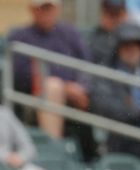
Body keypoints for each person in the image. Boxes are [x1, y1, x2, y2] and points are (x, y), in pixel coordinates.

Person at [8, 0, 91, 140]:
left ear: (58, 9)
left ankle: (96, 154)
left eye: (50, 8)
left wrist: (82, 88)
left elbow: (87, 65)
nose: (46, 13)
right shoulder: (21, 37)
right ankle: (54, 147)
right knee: (52, 87)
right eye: (42, 8)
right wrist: (64, 87)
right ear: (32, 10)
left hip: (76, 97)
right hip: (35, 99)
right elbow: (22, 76)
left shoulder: (70, 33)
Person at [92, 23, 140, 164]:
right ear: (118, 48)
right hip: (123, 130)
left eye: (136, 45)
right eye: (126, 45)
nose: (131, 50)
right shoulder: (107, 73)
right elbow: (105, 105)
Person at [90, 0, 129, 65]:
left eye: (117, 14)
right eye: (110, 14)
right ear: (102, 14)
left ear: (125, 14)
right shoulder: (94, 40)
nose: (114, 19)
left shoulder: (135, 38)